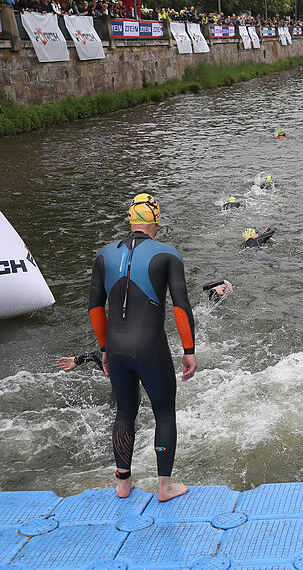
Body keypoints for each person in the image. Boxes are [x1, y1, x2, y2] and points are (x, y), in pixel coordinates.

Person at [88, 193, 195, 501]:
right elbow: (181, 306)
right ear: (156, 223)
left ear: (130, 219)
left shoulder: (104, 254)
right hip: (151, 347)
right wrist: (189, 350)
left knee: (124, 411)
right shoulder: (167, 255)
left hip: (117, 348)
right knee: (163, 413)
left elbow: (95, 308)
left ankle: (123, 483)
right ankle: (165, 487)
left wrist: (105, 347)